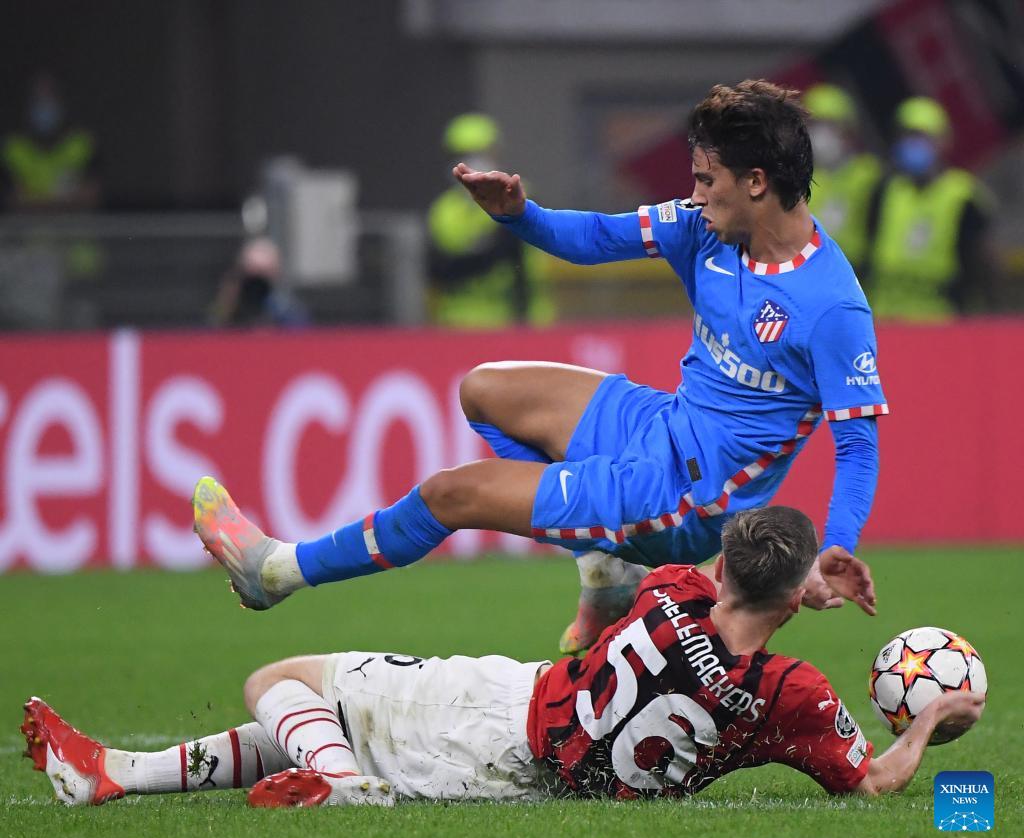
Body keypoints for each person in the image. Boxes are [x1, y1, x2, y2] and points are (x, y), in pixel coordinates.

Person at [192, 80, 885, 653]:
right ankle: (604, 568)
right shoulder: (703, 227)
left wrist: (837, 546)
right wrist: (520, 215)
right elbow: (594, 238)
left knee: (450, 493)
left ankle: (275, 572)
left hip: (679, 498)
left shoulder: (830, 307)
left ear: (757, 182)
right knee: (484, 390)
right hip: (659, 424)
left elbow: (857, 444)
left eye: (707, 180)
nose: (696, 194)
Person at [22, 507, 984, 807]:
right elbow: (874, 780)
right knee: (317, 719)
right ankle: (114, 773)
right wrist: (936, 716)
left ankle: (345, 789)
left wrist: (798, 577)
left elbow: (722, 582)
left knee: (279, 682)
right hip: (547, 776)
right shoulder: (788, 692)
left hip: (500, 710)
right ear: (790, 594)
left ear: (726, 564)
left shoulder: (666, 589)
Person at [865, 96, 994, 320]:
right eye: (906, 136)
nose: (911, 144)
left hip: (940, 321)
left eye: (920, 136)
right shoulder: (886, 191)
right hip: (884, 318)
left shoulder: (963, 197)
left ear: (943, 141)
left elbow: (980, 269)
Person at [427, 113, 554, 327]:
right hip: (460, 321)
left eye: (481, 152)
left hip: (521, 318)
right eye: (465, 154)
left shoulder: (519, 195)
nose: (474, 161)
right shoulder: (443, 210)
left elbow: (514, 254)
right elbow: (439, 268)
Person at [803, 83, 882, 277]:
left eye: (829, 125)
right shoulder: (801, 178)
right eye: (815, 125)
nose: (821, 134)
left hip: (856, 275)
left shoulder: (870, 175)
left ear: (848, 130)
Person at [2, 71, 100, 212]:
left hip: (73, 227)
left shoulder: (82, 144)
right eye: (38, 99)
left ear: (62, 101)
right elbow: (12, 201)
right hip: (27, 227)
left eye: (50, 98)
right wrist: (67, 201)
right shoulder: (12, 149)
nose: (44, 105)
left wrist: (33, 200)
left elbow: (91, 198)